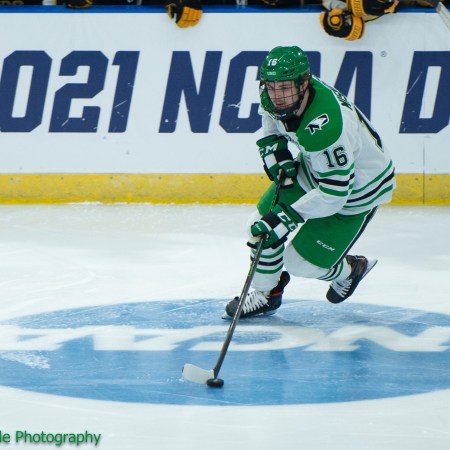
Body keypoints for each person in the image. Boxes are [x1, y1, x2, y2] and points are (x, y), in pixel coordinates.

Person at [224, 45, 396, 319]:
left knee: (300, 264)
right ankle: (267, 293)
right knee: (259, 227)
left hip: (358, 190)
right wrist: (274, 147)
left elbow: (335, 194)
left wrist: (287, 217)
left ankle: (350, 270)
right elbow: (271, 116)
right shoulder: (277, 93)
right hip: (316, 169)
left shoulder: (327, 127)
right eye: (272, 87)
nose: (277, 96)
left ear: (304, 83)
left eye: (285, 88)